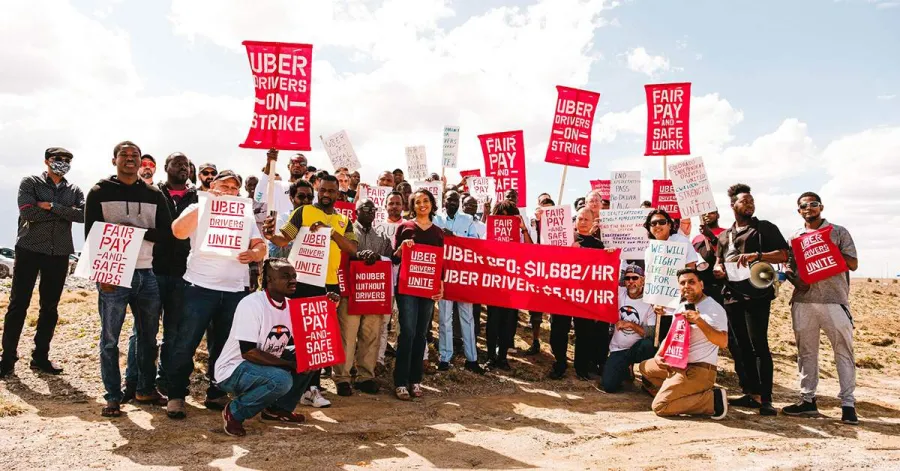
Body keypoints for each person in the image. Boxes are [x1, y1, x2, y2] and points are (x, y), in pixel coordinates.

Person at [166, 170, 267, 419]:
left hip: (233, 290)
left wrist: (255, 254)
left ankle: (216, 391)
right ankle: (176, 395)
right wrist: (207, 203)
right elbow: (178, 231)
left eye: (234, 188)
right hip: (199, 287)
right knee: (185, 342)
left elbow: (260, 245)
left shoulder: (245, 213)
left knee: (223, 346)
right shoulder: (198, 206)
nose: (229, 191)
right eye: (224, 185)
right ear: (212, 185)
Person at [85, 141, 173, 417]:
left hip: (146, 272)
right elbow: (91, 234)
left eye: (135, 155)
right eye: (124, 155)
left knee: (148, 338)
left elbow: (166, 233)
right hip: (112, 273)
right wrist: (102, 274)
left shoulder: (154, 194)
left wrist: (136, 231)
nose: (130, 159)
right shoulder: (99, 191)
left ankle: (145, 389)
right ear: (114, 161)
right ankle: (112, 396)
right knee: (110, 339)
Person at [264, 174, 359, 408]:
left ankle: (311, 388)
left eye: (331, 191)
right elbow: (284, 240)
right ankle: (286, 387)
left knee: (318, 338)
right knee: (294, 335)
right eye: (323, 190)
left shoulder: (343, 221)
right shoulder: (303, 212)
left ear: (338, 193)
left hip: (328, 284)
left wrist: (331, 232)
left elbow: (353, 249)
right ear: (318, 190)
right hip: (302, 281)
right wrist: (270, 235)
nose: (326, 194)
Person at [218, 259, 326, 436]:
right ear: (269, 279)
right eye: (285, 276)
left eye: (294, 276)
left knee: (311, 354)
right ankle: (235, 412)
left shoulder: (290, 305)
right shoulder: (252, 304)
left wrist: (330, 305)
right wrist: (289, 365)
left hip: (262, 364)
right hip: (233, 369)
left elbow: (315, 332)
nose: (292, 280)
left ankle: (277, 409)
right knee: (282, 379)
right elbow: (248, 352)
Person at [1, 147, 84, 378]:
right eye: (59, 159)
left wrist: (51, 206)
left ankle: (40, 358)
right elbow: (28, 213)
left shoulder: (74, 189)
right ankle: (7, 359)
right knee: (19, 304)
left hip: (59, 254)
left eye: (67, 160)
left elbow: (83, 215)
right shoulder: (30, 182)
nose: (63, 163)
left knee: (50, 307)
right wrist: (66, 212)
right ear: (47, 161)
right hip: (29, 249)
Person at [122, 152, 197, 400]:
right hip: (151, 270)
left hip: (183, 274)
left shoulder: (198, 199)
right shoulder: (151, 194)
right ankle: (134, 383)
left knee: (174, 333)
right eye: (177, 163)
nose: (182, 167)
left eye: (186, 164)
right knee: (143, 332)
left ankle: (163, 382)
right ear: (166, 167)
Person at [782, 192, 859, 425]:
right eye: (804, 205)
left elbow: (853, 264)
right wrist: (797, 281)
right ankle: (807, 400)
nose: (809, 208)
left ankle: (848, 404)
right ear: (799, 211)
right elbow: (788, 266)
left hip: (834, 301)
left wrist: (826, 249)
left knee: (843, 352)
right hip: (804, 302)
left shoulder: (838, 232)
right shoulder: (795, 237)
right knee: (806, 354)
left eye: (813, 204)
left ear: (821, 207)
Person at [712, 183, 789, 416]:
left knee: (759, 346)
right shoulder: (725, 235)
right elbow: (719, 260)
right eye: (745, 201)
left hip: (757, 295)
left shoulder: (763, 228)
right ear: (733, 205)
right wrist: (718, 269)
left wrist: (757, 255)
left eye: (752, 201)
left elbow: (784, 254)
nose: (750, 204)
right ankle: (751, 393)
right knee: (740, 346)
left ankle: (766, 399)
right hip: (732, 296)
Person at [639, 269, 728, 420]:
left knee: (660, 407)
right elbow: (671, 335)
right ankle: (680, 391)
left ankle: (712, 400)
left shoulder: (713, 309)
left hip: (698, 369)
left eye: (691, 282)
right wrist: (660, 354)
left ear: (701, 284)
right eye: (682, 283)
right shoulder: (682, 306)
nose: (687, 286)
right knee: (645, 367)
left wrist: (699, 321)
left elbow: (723, 342)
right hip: (677, 364)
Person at [334, 199, 394, 396]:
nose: (369, 212)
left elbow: (389, 259)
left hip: (372, 292)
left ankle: (365, 376)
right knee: (347, 336)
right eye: (365, 209)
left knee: (370, 335)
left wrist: (378, 258)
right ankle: (342, 377)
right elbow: (340, 255)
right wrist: (359, 255)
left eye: (373, 210)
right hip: (350, 291)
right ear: (356, 211)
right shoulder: (348, 232)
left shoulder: (382, 236)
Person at [391, 189, 444, 400]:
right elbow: (394, 259)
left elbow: (440, 263)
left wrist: (440, 286)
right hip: (406, 289)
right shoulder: (404, 227)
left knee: (422, 334)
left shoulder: (438, 232)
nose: (422, 205)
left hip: (428, 290)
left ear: (432, 204)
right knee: (408, 333)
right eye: (418, 202)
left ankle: (415, 380)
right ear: (412, 206)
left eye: (426, 201)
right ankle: (400, 381)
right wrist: (402, 248)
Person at [548, 208, 607, 380]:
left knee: (585, 332)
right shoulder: (564, 239)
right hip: (563, 294)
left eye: (586, 219)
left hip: (585, 296)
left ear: (592, 221)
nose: (582, 222)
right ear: (575, 221)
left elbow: (601, 267)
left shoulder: (598, 245)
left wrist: (608, 255)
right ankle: (559, 364)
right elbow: (551, 260)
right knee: (559, 330)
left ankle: (581, 368)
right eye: (580, 218)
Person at [433, 191, 484, 374]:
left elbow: (475, 244)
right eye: (449, 199)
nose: (452, 202)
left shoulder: (468, 219)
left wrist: (453, 235)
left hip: (463, 276)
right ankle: (445, 358)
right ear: (444, 201)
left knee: (467, 318)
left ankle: (472, 359)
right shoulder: (436, 219)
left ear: (459, 202)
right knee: (445, 318)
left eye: (455, 200)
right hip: (444, 275)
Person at [485, 199, 533, 371]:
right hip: (494, 284)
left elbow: (531, 250)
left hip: (513, 285)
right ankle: (491, 357)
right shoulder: (489, 231)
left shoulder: (520, 233)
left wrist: (523, 229)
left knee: (508, 323)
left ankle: (503, 357)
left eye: (508, 217)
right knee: (493, 322)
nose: (504, 220)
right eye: (501, 217)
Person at [602, 265, 657, 393]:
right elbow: (605, 280)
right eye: (627, 278)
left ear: (642, 280)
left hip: (638, 348)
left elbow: (651, 333)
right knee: (609, 386)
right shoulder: (619, 292)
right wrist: (608, 255)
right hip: (618, 348)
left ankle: (648, 379)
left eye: (635, 278)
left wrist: (631, 325)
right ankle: (626, 369)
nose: (631, 281)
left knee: (649, 345)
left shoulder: (650, 302)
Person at [375, 191, 406, 370]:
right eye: (391, 203)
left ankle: (407, 360)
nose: (394, 206)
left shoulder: (410, 227)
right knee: (383, 322)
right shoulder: (378, 228)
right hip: (384, 281)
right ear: (386, 206)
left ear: (403, 206)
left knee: (406, 322)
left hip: (404, 280)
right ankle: (379, 359)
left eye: (397, 203)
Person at [525, 195, 556, 355]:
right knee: (535, 309)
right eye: (543, 206)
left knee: (554, 309)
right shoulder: (532, 223)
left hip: (555, 272)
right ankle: (536, 341)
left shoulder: (560, 226)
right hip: (536, 270)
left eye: (549, 207)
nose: (546, 210)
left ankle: (554, 344)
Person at [268, 180, 314, 259]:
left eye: (310, 197)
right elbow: (274, 253)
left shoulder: (318, 220)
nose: (306, 200)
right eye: (301, 196)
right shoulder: (282, 219)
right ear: (291, 198)